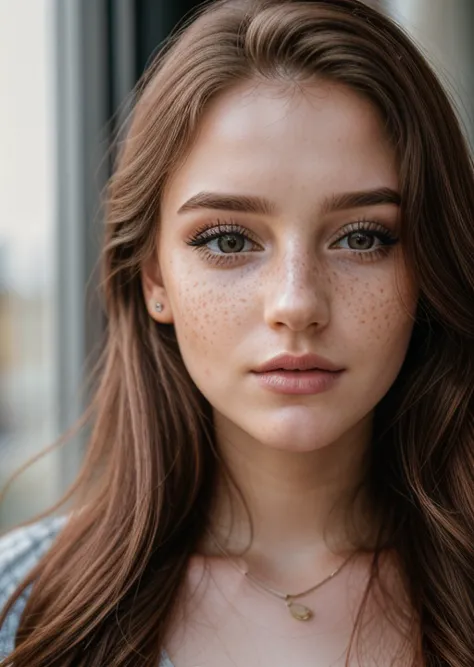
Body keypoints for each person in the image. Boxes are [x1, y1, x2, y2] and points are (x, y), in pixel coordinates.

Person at [1, 0, 473, 664]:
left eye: (362, 237)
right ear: (154, 278)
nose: (296, 302)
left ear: (427, 265)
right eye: (228, 239)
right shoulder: (20, 608)